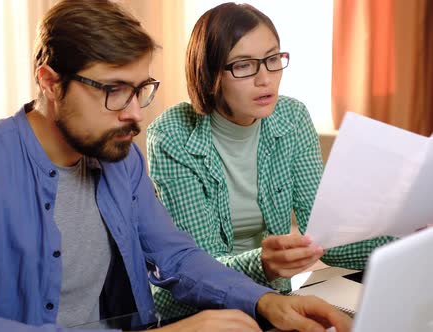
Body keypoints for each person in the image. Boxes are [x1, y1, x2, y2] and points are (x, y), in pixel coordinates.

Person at [0, 0, 352, 331]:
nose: (136, 115)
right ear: (50, 82)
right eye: (114, 91)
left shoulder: (119, 159)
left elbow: (175, 257)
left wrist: (265, 302)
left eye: (140, 89)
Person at [146, 2, 394, 317]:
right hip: (197, 308)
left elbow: (325, 239)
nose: (266, 79)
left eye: (273, 59)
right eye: (244, 65)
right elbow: (197, 270)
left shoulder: (292, 117)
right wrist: (264, 263)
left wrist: (404, 237)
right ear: (209, 72)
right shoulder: (171, 135)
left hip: (270, 296)